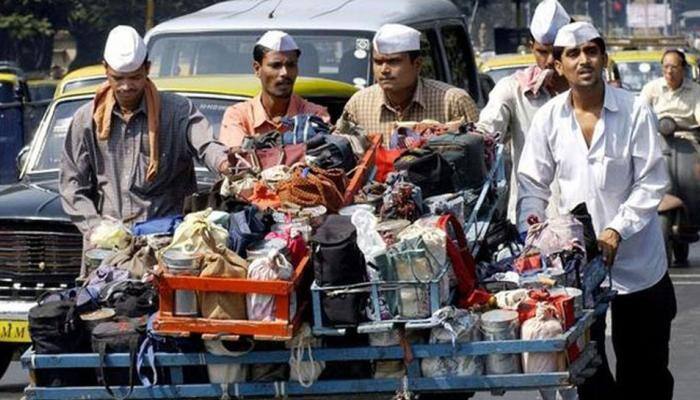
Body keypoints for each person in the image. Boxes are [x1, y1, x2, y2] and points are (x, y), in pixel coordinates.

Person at [518, 22, 676, 400]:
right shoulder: (549, 118)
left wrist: (616, 230)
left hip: (638, 268)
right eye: (573, 54)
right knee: (587, 376)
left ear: (604, 58)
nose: (584, 60)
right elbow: (531, 185)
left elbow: (652, 182)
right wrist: (534, 236)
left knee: (645, 374)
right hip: (578, 270)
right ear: (558, 65)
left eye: (591, 51)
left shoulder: (635, 110)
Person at [60, 25, 231, 274]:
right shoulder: (86, 120)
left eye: (135, 77)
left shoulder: (177, 111)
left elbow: (207, 145)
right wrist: (97, 229)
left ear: (148, 69)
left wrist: (226, 165)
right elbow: (71, 186)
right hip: (109, 253)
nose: (127, 86)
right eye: (118, 78)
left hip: (166, 248)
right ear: (105, 70)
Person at [477, 0, 570, 223]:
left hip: (587, 216)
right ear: (531, 47)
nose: (549, 62)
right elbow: (487, 132)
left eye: (556, 53)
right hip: (533, 219)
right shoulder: (513, 89)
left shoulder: (591, 93)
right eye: (541, 52)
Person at [335, 23, 479, 141]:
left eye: (394, 62)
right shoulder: (359, 105)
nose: (384, 70)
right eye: (378, 62)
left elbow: (483, 155)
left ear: (417, 64)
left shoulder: (453, 102)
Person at [219, 30, 330, 147]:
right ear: (257, 69)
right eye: (276, 66)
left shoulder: (315, 115)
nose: (285, 73)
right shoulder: (239, 116)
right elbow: (237, 159)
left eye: (291, 65)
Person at [641, 48, 700, 127]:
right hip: (657, 135)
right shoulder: (650, 88)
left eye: (674, 67)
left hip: (686, 135)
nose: (669, 71)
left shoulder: (696, 90)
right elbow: (641, 116)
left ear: (683, 69)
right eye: (666, 67)